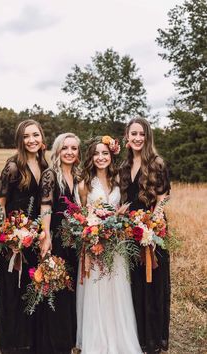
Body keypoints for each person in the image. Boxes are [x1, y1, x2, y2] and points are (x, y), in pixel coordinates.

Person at [76, 136, 142, 354]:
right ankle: (97, 341)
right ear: (91, 157)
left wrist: (117, 224)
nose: (100, 157)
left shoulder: (117, 181)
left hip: (116, 246)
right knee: (97, 290)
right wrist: (94, 231)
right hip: (95, 245)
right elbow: (81, 216)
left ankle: (119, 338)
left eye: (105, 153)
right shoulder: (85, 184)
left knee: (117, 291)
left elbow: (121, 210)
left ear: (111, 155)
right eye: (96, 153)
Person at [0, 119, 48, 354]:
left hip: (35, 239)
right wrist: (9, 236)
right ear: (20, 140)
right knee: (13, 294)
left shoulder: (45, 165)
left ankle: (33, 342)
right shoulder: (13, 166)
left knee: (33, 289)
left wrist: (42, 233)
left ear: (42, 137)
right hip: (14, 242)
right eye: (26, 136)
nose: (31, 140)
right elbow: (0, 205)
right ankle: (15, 345)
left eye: (35, 135)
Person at [120, 117, 171, 354]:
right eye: (134, 134)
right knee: (135, 283)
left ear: (147, 136)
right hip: (130, 231)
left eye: (142, 134)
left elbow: (163, 198)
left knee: (154, 283)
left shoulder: (156, 163)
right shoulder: (123, 167)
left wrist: (152, 223)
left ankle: (153, 339)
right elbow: (124, 201)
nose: (138, 138)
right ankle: (137, 336)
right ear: (127, 138)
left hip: (153, 231)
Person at [37, 132, 81, 354]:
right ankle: (56, 344)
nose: (69, 152)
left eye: (74, 148)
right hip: (56, 239)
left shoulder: (78, 175)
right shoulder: (50, 175)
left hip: (76, 241)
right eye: (65, 148)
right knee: (57, 289)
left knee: (72, 290)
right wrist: (46, 237)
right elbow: (45, 207)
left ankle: (72, 338)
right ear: (57, 150)